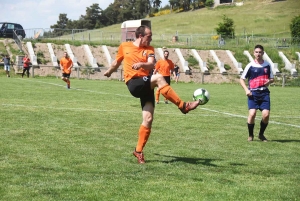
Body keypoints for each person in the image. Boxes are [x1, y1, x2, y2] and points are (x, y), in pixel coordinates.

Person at [104, 25, 201, 164]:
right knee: (159, 78)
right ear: (140, 36)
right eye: (149, 36)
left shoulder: (150, 49)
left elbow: (151, 64)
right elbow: (116, 62)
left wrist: (142, 64)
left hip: (146, 84)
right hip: (134, 83)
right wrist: (109, 71)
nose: (151, 38)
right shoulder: (124, 46)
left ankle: (138, 151)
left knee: (148, 119)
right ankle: (183, 106)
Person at [240, 44, 274, 142]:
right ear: (254, 53)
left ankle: (261, 135)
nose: (258, 54)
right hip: (253, 94)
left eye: (260, 52)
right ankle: (251, 135)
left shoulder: (267, 65)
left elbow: (272, 78)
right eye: (256, 52)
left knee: (266, 115)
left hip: (264, 93)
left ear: (263, 53)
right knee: (252, 113)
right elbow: (241, 79)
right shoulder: (250, 65)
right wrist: (246, 90)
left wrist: (270, 81)